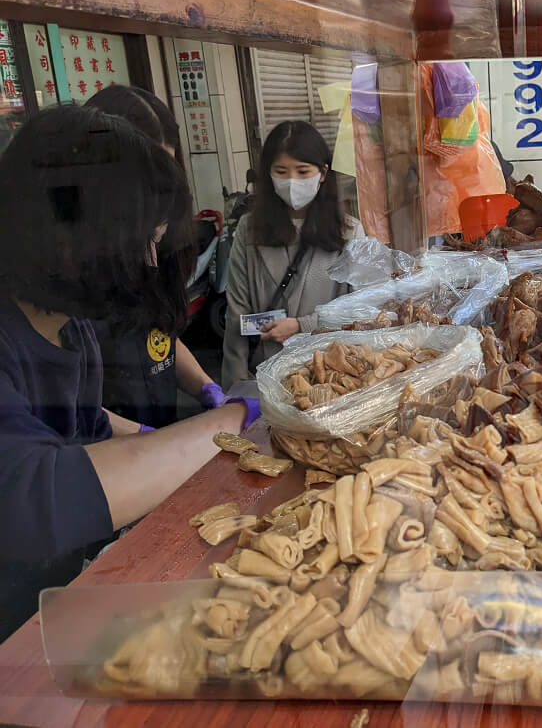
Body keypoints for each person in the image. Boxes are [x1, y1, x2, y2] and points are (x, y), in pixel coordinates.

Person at [0, 105, 258, 639]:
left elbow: (79, 421)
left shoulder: (72, 328)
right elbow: (31, 497)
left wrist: (157, 440)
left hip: (65, 600)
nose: (147, 263)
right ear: (65, 234)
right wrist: (230, 422)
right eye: (138, 242)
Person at [85, 85, 223, 427]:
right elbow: (62, 404)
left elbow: (161, 342)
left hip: (158, 443)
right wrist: (142, 439)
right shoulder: (64, 278)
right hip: (100, 463)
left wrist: (207, 387)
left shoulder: (159, 246)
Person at [222, 120, 360, 390]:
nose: (292, 181)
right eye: (281, 172)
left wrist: (301, 325)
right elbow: (236, 314)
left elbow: (357, 310)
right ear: (269, 174)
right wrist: (235, 389)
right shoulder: (249, 230)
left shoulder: (349, 233)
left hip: (328, 378)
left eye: (302, 171)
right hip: (267, 376)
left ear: (322, 173)